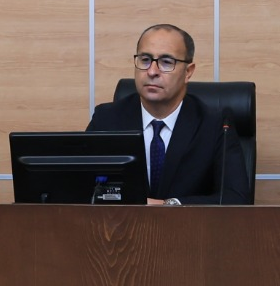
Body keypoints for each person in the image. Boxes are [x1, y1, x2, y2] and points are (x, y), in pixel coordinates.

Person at [86, 24, 250, 205]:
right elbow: (80, 188)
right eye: (145, 59)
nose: (152, 71)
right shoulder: (107, 119)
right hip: (122, 223)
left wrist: (168, 205)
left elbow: (236, 199)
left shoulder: (215, 124)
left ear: (188, 72)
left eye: (166, 62)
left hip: (189, 223)